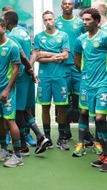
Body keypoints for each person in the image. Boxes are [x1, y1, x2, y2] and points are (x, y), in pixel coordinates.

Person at [73, 7, 107, 172]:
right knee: (94, 118)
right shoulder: (81, 39)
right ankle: (105, 155)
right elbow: (77, 57)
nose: (85, 23)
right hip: (88, 84)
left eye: (88, 20)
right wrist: (85, 74)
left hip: (105, 83)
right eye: (83, 20)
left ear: (97, 21)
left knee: (100, 118)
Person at [2, 10, 50, 155]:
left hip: (20, 76)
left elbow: (22, 56)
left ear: (8, 22)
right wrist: (31, 70)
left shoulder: (11, 36)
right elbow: (32, 53)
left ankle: (35, 139)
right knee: (23, 111)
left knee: (18, 111)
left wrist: (27, 69)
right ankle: (32, 141)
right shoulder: (24, 32)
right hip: (26, 76)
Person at [0, 18, 23, 168]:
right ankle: (3, 149)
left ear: (4, 29)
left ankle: (18, 155)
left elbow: (16, 69)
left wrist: (7, 90)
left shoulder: (12, 46)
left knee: (10, 120)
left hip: (7, 88)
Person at [32, 10, 70, 150]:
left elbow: (65, 56)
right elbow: (36, 57)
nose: (48, 22)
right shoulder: (39, 37)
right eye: (45, 20)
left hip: (60, 77)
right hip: (44, 77)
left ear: (54, 20)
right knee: (45, 107)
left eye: (50, 19)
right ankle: (47, 138)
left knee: (61, 108)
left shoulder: (63, 36)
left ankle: (62, 138)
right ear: (43, 22)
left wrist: (46, 54)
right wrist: (54, 56)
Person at [55, 0, 86, 145]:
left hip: (77, 66)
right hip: (62, 67)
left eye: (70, 4)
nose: (67, 6)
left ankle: (84, 132)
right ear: (61, 6)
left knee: (81, 102)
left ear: (73, 6)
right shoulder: (56, 22)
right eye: (65, 3)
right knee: (64, 103)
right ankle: (65, 132)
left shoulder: (80, 23)